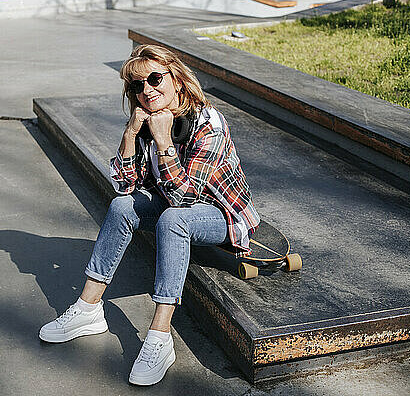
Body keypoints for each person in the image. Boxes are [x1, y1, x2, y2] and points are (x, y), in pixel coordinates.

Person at [39, 44, 260, 386]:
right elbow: (125, 186)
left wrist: (163, 143)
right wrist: (130, 134)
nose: (147, 90)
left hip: (221, 214)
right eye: (137, 86)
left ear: (178, 81)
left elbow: (182, 198)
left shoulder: (208, 125)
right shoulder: (146, 120)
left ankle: (160, 337)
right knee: (122, 207)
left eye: (155, 79)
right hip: (177, 205)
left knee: (174, 220)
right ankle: (88, 308)